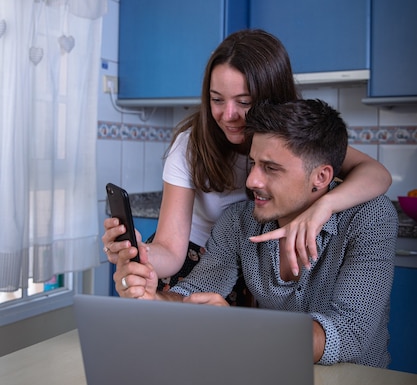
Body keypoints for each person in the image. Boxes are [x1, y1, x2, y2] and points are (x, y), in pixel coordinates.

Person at [103, 29, 392, 301]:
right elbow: (170, 249)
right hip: (201, 266)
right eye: (217, 100)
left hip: (257, 266)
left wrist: (323, 207)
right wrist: (139, 255)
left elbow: (377, 174)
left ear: (271, 96)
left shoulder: (295, 139)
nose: (228, 115)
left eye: (244, 102)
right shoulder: (192, 144)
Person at [114, 99, 398, 368]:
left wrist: (242, 331)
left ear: (321, 177)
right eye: (253, 164)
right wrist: (153, 299)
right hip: (271, 374)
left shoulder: (370, 217)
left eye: (271, 168)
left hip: (356, 384)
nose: (251, 181)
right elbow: (193, 294)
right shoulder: (239, 221)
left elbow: (348, 333)